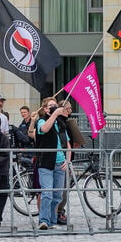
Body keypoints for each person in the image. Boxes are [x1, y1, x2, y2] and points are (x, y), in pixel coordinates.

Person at [35, 98, 68, 230]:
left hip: (60, 162)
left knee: (57, 195)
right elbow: (44, 129)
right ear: (45, 109)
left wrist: (67, 159)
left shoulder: (60, 123)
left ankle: (52, 220)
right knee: (47, 193)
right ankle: (43, 220)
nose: (54, 107)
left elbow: (66, 142)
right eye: (51, 106)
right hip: (46, 162)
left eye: (55, 105)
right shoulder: (42, 121)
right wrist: (54, 114)